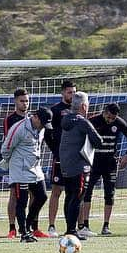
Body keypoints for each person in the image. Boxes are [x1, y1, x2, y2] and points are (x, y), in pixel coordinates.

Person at [80, 102, 127, 236]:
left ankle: (106, 225)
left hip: (110, 162)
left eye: (113, 118)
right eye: (109, 117)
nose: (110, 120)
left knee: (109, 194)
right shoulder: (93, 121)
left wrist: (126, 155)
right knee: (87, 192)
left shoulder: (119, 123)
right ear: (104, 112)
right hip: (94, 163)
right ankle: (85, 224)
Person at [0, 107, 52, 243]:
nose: (43, 127)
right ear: (35, 117)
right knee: (21, 201)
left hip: (35, 169)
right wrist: (15, 163)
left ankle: (28, 224)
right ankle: (24, 233)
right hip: (20, 171)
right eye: (42, 123)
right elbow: (5, 149)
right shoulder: (19, 128)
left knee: (42, 196)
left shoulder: (41, 129)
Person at [58, 90, 103, 240]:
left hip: (65, 164)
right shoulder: (82, 121)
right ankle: (72, 231)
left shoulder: (66, 119)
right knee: (77, 197)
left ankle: (69, 229)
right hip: (79, 165)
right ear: (84, 106)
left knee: (69, 196)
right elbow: (98, 141)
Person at [46, 79, 76, 237]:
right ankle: (51, 226)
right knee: (57, 191)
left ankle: (73, 227)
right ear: (63, 92)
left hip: (75, 159)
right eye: (70, 92)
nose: (72, 95)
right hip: (60, 157)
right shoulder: (55, 110)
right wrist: (55, 151)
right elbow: (48, 134)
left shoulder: (77, 109)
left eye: (74, 92)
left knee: (74, 193)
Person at [4, 88, 31, 238]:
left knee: (35, 193)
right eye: (22, 101)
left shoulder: (32, 119)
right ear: (15, 101)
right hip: (16, 163)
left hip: (31, 163)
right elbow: (9, 141)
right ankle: (12, 227)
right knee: (14, 194)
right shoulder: (10, 119)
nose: (25, 104)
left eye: (27, 101)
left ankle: (33, 226)